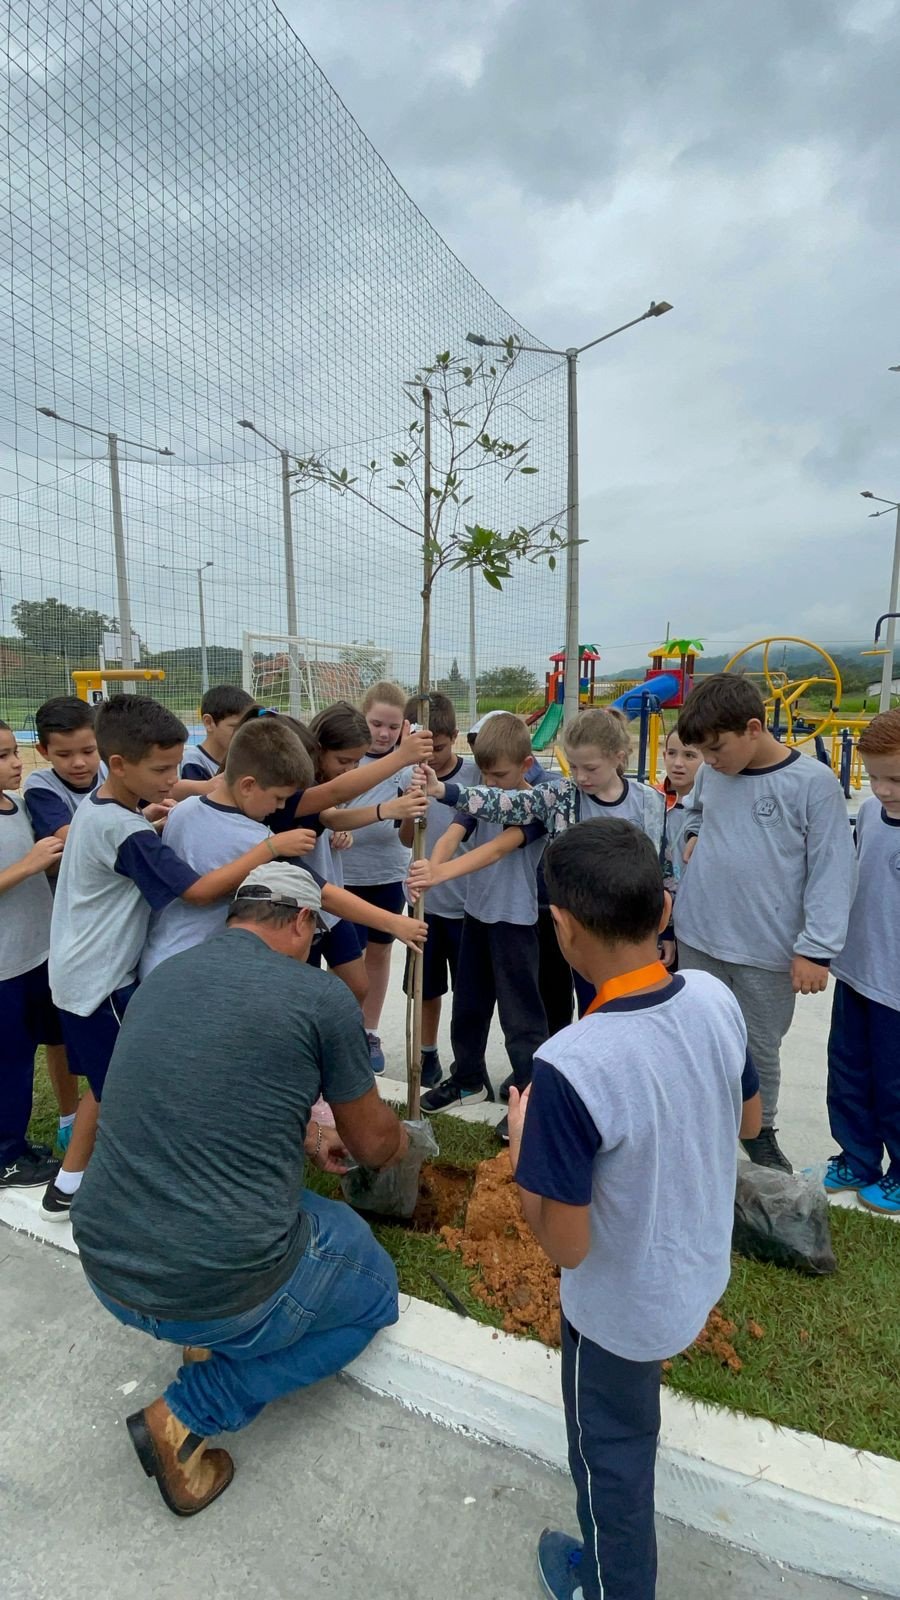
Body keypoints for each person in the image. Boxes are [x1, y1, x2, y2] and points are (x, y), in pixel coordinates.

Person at [72, 862, 407, 1517]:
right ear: (304, 921)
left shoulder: (161, 979)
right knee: (373, 1290)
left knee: (261, 1214)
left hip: (106, 1261)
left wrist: (309, 1139)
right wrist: (395, 1139)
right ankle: (190, 1412)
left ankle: (211, 1330)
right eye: (315, 934)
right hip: (209, 1282)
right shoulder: (319, 997)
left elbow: (196, 1103)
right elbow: (374, 1145)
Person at [506, 820, 762, 1600]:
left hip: (617, 1315)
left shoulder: (569, 1066)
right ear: (663, 914)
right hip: (694, 1272)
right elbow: (750, 1124)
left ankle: (614, 1586)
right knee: (630, 1426)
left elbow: (568, 1248)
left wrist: (525, 1156)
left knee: (609, 1460)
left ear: (563, 926)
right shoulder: (715, 997)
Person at [42, 695, 318, 1219]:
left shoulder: (107, 809)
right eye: (162, 769)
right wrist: (269, 849)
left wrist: (151, 816)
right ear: (118, 765)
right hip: (102, 986)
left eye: (176, 764)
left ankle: (68, 1185)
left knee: (107, 1088)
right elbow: (197, 893)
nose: (175, 779)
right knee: (130, 1091)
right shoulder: (125, 832)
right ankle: (119, 1192)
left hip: (80, 975)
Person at [674, 674, 856, 1173]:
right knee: (698, 1036)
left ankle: (761, 1132)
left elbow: (832, 870)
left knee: (758, 1047)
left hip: (767, 951)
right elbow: (692, 815)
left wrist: (816, 948)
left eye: (716, 749)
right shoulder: (714, 774)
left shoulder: (812, 784)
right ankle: (700, 1120)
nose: (708, 762)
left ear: (753, 728)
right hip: (699, 937)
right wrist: (689, 835)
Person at [139, 716, 427, 982]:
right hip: (200, 972)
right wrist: (393, 922)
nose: (280, 808)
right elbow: (322, 893)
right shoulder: (257, 839)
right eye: (279, 798)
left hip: (159, 958)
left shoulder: (182, 811)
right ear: (248, 785)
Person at [427, 706, 666, 1017]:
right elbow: (504, 803)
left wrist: (666, 932)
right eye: (574, 766)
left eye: (590, 768)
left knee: (636, 1007)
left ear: (618, 757)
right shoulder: (561, 796)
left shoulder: (649, 802)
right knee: (589, 1009)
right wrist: (444, 790)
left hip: (633, 930)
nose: (580, 777)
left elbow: (662, 869)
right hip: (581, 929)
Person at [414, 713, 549, 1135]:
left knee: (520, 1015)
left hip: (517, 924)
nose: (490, 783)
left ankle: (529, 1093)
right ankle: (469, 1079)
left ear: (527, 765)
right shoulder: (483, 796)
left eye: (500, 774)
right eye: (485, 774)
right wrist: (427, 871)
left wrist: (441, 874)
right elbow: (452, 834)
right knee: (469, 1004)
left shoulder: (535, 805)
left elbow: (494, 852)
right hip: (477, 915)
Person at [824, 707, 900, 1215]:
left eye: (894, 777)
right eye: (873, 777)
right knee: (849, 1071)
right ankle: (858, 1157)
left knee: (895, 1082)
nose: (882, 789)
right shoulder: (871, 813)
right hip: (857, 972)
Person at [22, 695, 101, 1145]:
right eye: (65, 754)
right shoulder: (40, 787)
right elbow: (72, 838)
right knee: (60, 1033)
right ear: (44, 751)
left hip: (104, 928)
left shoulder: (110, 772)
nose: (78, 763)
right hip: (63, 932)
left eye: (87, 751)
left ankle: (104, 1110)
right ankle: (70, 1119)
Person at [399, 692, 479, 1087]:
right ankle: (427, 1054)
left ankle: (469, 1063)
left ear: (454, 737)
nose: (430, 759)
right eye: (422, 750)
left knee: (469, 994)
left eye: (440, 748)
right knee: (425, 988)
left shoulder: (474, 777)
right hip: (424, 905)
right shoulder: (408, 776)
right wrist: (410, 808)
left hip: (467, 906)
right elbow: (403, 838)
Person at [340, 681, 418, 1071]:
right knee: (345, 959)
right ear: (362, 717)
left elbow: (410, 829)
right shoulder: (346, 758)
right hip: (345, 876)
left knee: (379, 953)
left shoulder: (407, 766)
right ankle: (343, 1030)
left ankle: (369, 1031)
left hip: (387, 874)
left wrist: (411, 810)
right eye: (376, 724)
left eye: (392, 726)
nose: (384, 733)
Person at [0, 720, 64, 1190]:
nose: (16, 763)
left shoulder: (18, 807)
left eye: (14, 752)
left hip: (35, 955)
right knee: (10, 1063)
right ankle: (5, 1157)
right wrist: (28, 865)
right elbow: (24, 868)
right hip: (4, 969)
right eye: (2, 757)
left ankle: (16, 1143)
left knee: (26, 1057)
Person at [653, 727, 703, 970]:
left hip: (698, 926)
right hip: (661, 923)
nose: (678, 763)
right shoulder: (650, 801)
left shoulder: (712, 808)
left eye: (690, 756)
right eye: (672, 753)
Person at [179, 684, 256, 780]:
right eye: (235, 727)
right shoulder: (193, 760)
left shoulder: (244, 758)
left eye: (246, 726)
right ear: (209, 722)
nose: (243, 733)